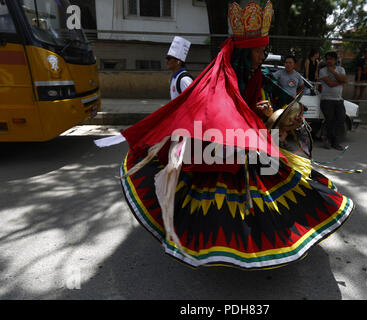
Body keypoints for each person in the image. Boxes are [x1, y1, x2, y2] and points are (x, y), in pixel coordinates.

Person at [107, 1, 354, 270]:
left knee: (278, 181)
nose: (263, 56)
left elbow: (259, 107)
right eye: (259, 51)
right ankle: (217, 246)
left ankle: (263, 240)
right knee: (214, 202)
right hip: (220, 145)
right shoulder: (222, 78)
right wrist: (255, 127)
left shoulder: (255, 76)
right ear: (246, 53)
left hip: (245, 144)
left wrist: (271, 115)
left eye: (263, 50)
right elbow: (222, 116)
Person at [319, 51, 348, 151]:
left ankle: (326, 137)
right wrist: (341, 81)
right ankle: (334, 142)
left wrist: (333, 72)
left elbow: (345, 80)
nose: (328, 61)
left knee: (340, 119)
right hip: (327, 100)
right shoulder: (322, 70)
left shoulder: (341, 69)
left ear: (336, 60)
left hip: (339, 100)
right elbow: (330, 84)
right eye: (327, 59)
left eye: (331, 59)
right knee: (330, 121)